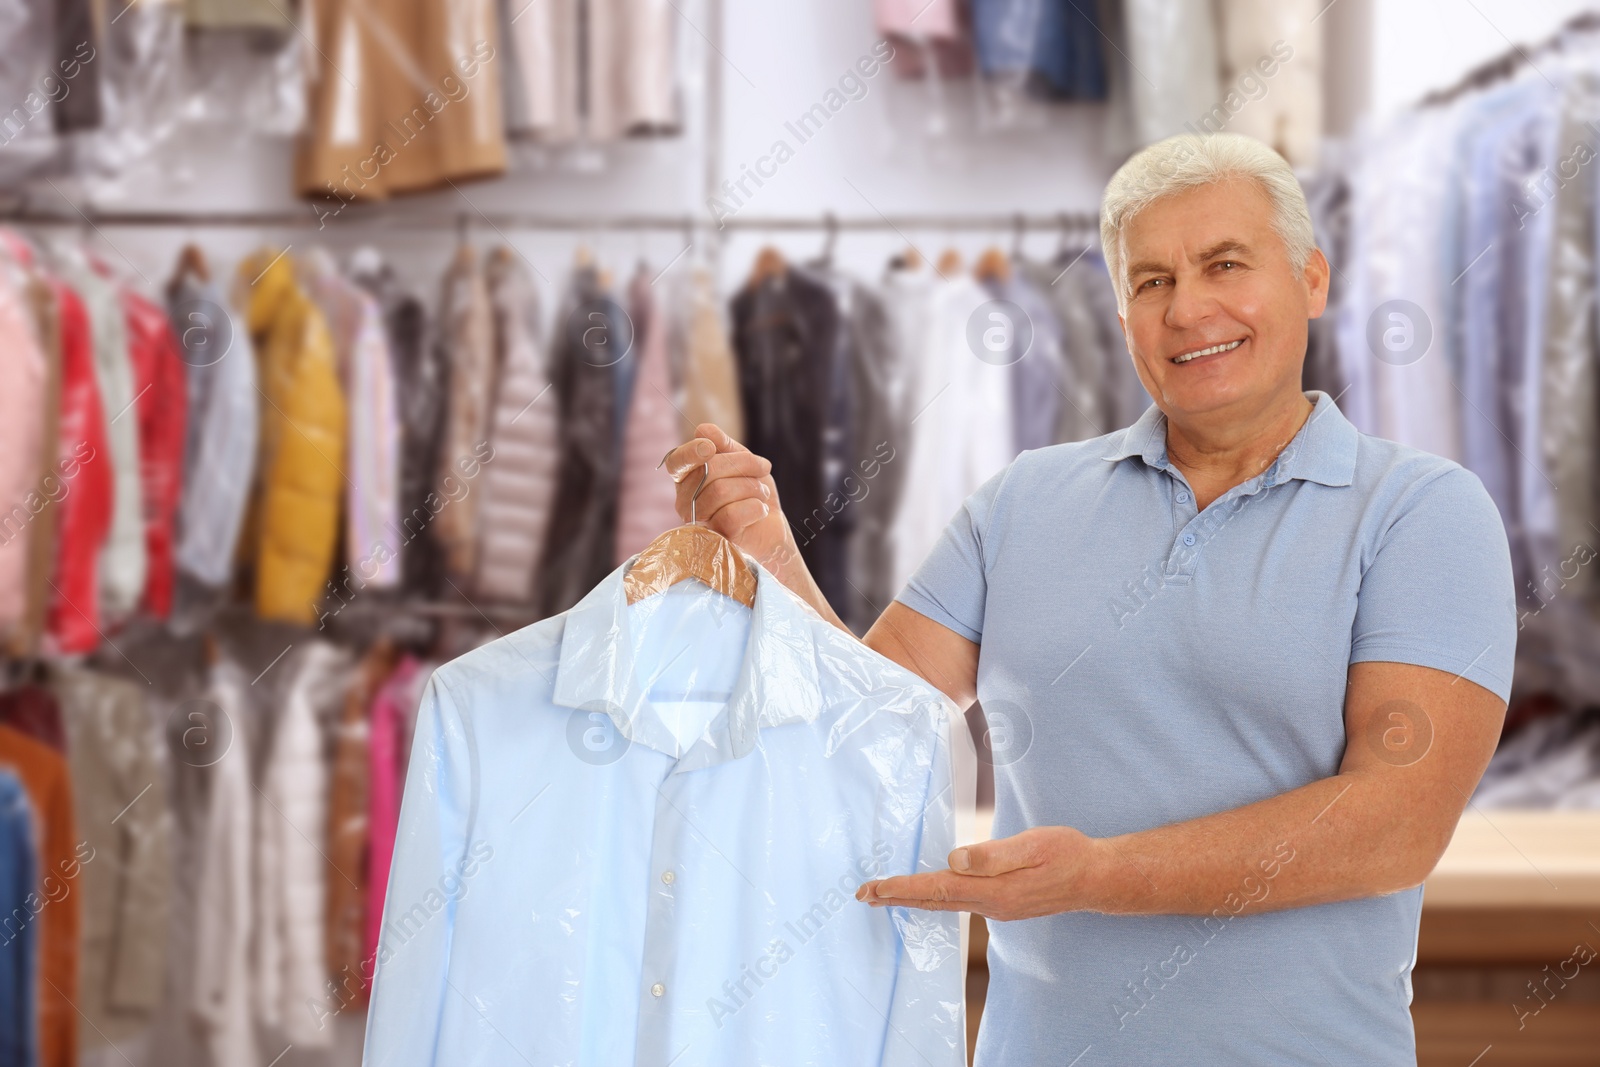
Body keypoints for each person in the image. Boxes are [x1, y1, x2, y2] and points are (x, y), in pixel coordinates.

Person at [661, 132, 1516, 1065]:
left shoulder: (1423, 512)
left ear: (1311, 279)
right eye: (1150, 282)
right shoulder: (1025, 500)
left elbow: (1393, 825)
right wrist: (776, 559)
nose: (1188, 308)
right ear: (1121, 317)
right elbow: (868, 721)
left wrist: (1099, 874)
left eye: (1224, 264)